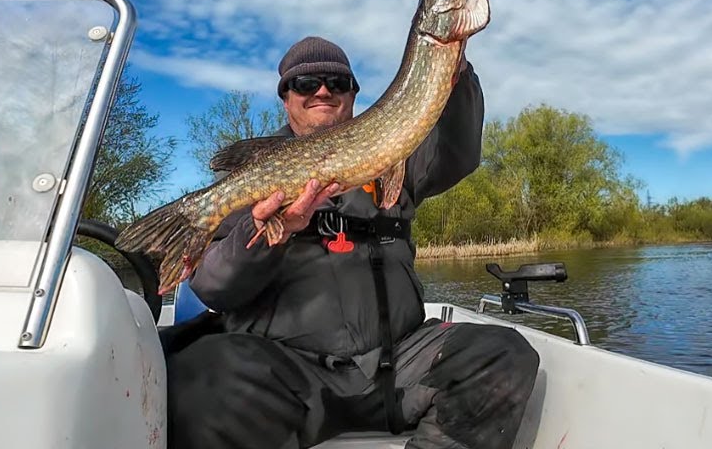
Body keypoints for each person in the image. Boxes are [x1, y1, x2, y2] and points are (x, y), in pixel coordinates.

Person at [163, 36, 540, 449]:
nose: (323, 91)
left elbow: (459, 153)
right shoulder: (259, 173)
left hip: (399, 365)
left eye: (337, 82)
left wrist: (454, 68)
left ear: (354, 94)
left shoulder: (396, 152)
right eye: (306, 83)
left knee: (503, 353)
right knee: (201, 376)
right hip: (293, 377)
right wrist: (269, 235)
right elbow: (214, 287)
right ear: (286, 98)